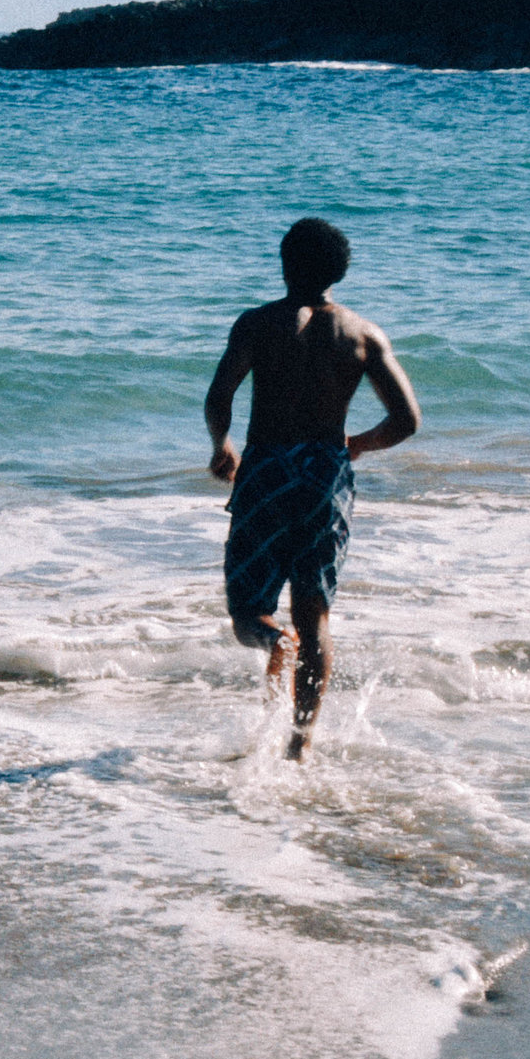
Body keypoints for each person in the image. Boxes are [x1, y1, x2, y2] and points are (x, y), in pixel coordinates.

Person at [203, 218, 421, 759]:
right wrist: (356, 446)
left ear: (283, 262)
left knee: (247, 611)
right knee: (315, 614)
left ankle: (273, 642)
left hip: (268, 471)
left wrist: (221, 444)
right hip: (325, 477)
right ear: (339, 273)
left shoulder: (256, 324)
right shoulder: (363, 334)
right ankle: (298, 748)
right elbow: (407, 420)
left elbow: (220, 393)